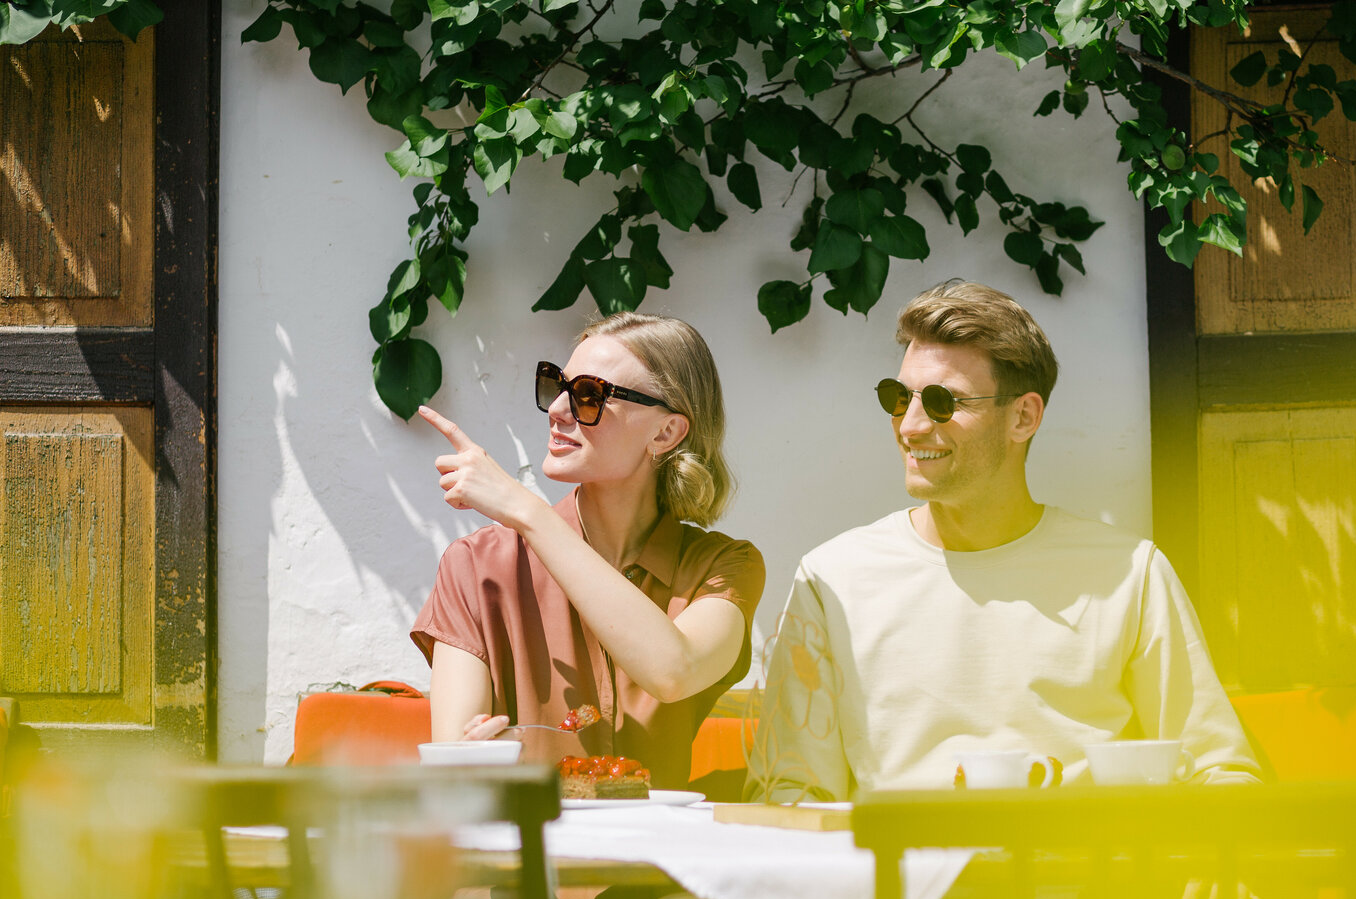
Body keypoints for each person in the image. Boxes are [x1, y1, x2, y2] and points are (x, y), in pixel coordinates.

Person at [754, 280, 1259, 802]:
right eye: (898, 397)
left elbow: (1220, 771)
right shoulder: (832, 579)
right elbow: (790, 791)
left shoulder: (1130, 574)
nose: (910, 425)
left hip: (1087, 881)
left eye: (942, 402)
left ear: (1024, 416)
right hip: (903, 881)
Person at [410, 312, 765, 792]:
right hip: (528, 852)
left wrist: (527, 511)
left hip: (661, 855)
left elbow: (673, 671)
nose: (557, 408)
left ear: (665, 433)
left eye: (588, 395)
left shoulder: (724, 567)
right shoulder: (476, 567)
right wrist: (473, 759)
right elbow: (452, 771)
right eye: (557, 384)